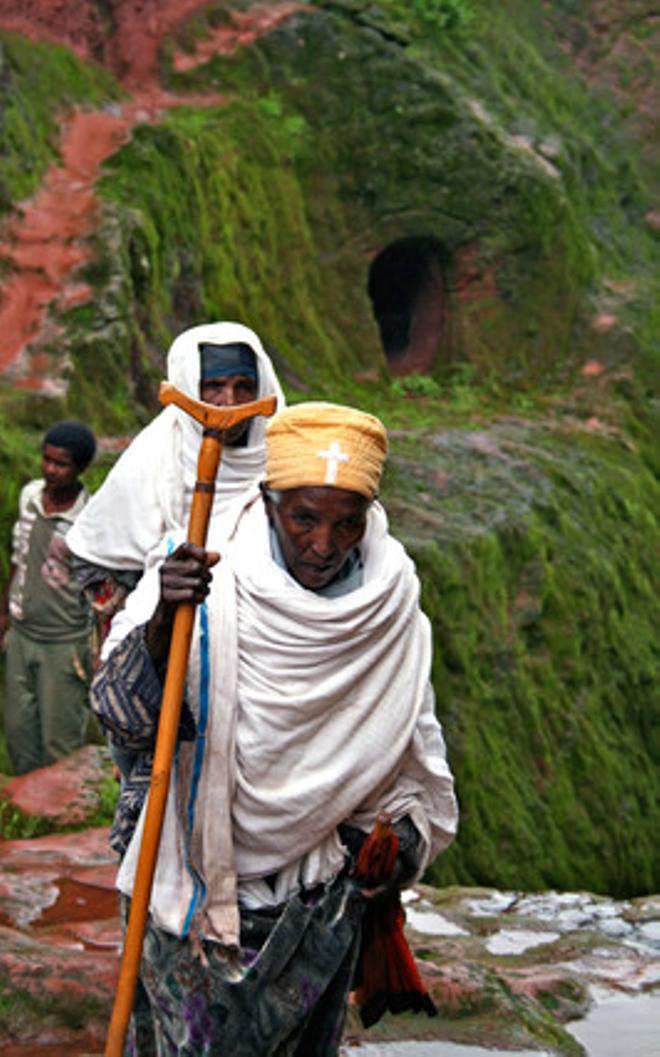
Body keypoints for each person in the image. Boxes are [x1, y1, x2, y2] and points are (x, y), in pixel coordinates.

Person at [91, 402, 458, 1057]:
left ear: (368, 518)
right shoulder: (202, 573)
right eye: (304, 518)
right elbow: (121, 716)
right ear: (267, 501)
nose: (324, 543)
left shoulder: (391, 598)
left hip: (317, 901)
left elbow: (408, 741)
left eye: (347, 522)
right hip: (189, 885)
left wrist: (402, 833)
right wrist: (160, 625)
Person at [66, 319, 286, 617]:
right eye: (214, 386)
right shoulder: (152, 460)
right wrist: (153, 604)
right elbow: (96, 559)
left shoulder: (284, 458)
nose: (229, 403)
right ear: (188, 388)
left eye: (243, 387)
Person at [0, 419, 97, 774]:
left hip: (64, 644)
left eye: (61, 464)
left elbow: (99, 587)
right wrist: (5, 614)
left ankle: (64, 820)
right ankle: (30, 816)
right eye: (47, 460)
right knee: (19, 732)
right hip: (22, 636)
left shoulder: (87, 518)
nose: (50, 470)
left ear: (81, 468)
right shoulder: (29, 497)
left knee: (60, 744)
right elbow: (19, 558)